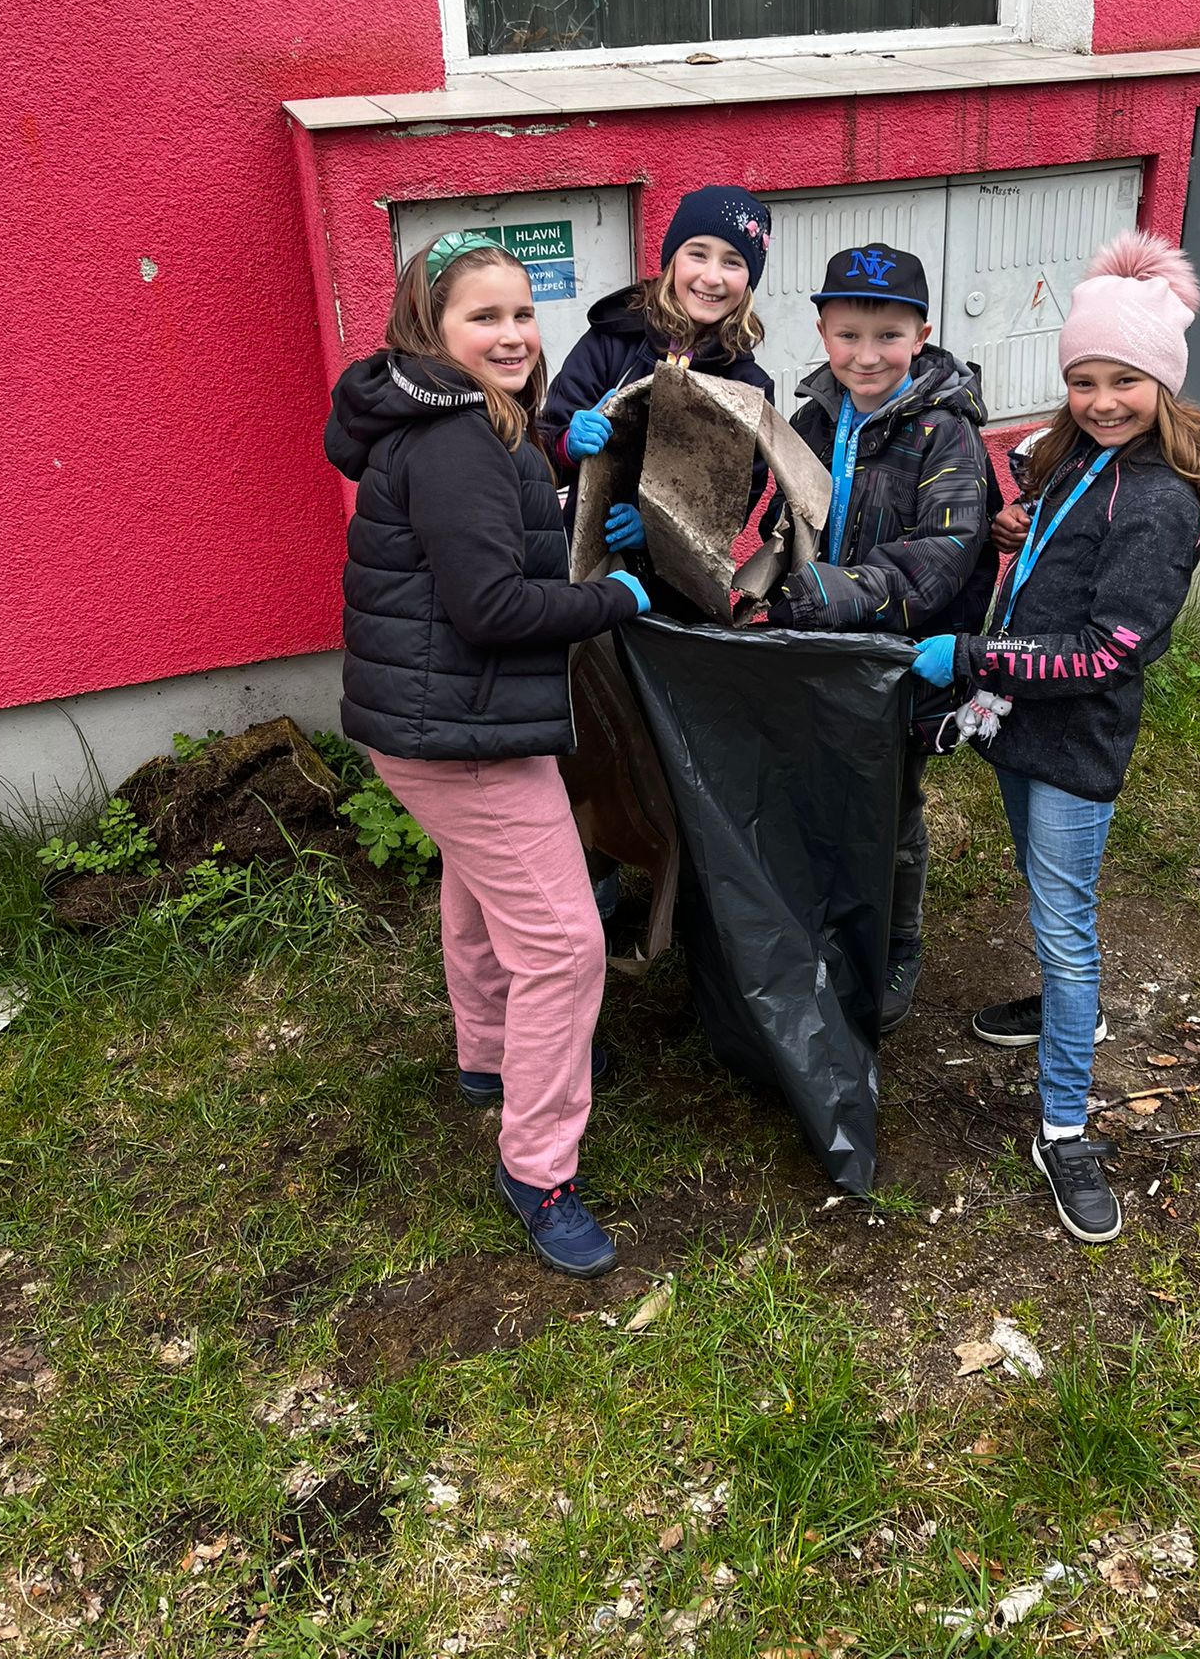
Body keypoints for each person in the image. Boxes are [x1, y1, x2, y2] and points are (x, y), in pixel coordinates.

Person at [323, 231, 651, 1280]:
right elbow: (494, 607)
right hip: (463, 732)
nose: (513, 336)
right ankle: (538, 1168)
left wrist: (567, 490)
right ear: (430, 328)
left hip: (436, 720)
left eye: (522, 313)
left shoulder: (459, 418)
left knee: (477, 891)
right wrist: (614, 596)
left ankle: (490, 1057)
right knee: (563, 945)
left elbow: (482, 547)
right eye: (484, 317)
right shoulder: (457, 439)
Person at [911, 229, 1200, 1245]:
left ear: (1164, 382)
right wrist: (1019, 532)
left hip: (1073, 742)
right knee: (1041, 886)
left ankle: (1064, 1125)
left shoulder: (1158, 501)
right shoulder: (1081, 460)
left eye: (1125, 381)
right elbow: (1062, 542)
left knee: (1066, 924)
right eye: (1083, 380)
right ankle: (1072, 1007)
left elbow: (1107, 653)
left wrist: (969, 656)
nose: (1101, 400)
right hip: (1021, 726)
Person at [766, 244, 998, 1033]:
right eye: (849, 335)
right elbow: (789, 519)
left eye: (889, 336)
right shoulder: (810, 418)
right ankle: (830, 917)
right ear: (822, 332)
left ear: (922, 335)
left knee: (891, 811)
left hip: (898, 659)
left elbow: (947, 548)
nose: (867, 356)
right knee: (819, 791)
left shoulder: (945, 433)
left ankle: (898, 940)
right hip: (819, 653)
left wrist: (848, 591)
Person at [541, 184, 776, 520]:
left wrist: (657, 530)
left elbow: (733, 506)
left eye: (732, 262)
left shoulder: (750, 388)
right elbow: (541, 451)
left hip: (672, 558)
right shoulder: (611, 342)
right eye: (698, 254)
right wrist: (566, 445)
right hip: (583, 547)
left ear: (749, 279)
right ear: (672, 261)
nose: (712, 277)